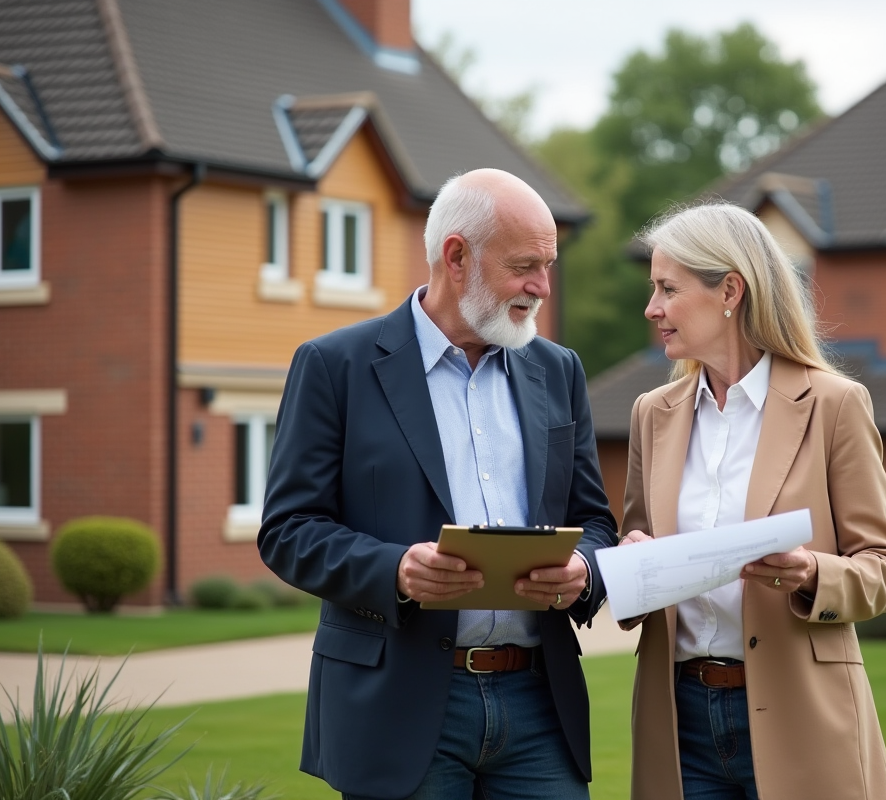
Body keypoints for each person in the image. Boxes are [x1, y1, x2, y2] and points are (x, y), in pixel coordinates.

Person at [258, 169, 617, 800]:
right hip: (398, 704)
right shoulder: (334, 365)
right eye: (525, 265)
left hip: (540, 704)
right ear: (456, 256)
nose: (542, 287)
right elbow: (288, 530)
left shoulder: (558, 370)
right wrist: (395, 569)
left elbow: (594, 520)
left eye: (548, 265)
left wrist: (585, 570)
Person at [618, 203, 886, 800]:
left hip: (802, 714)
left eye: (667, 288)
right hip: (681, 722)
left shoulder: (834, 405)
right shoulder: (653, 414)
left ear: (730, 290)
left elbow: (884, 569)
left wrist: (810, 572)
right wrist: (630, 564)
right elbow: (638, 556)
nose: (652, 308)